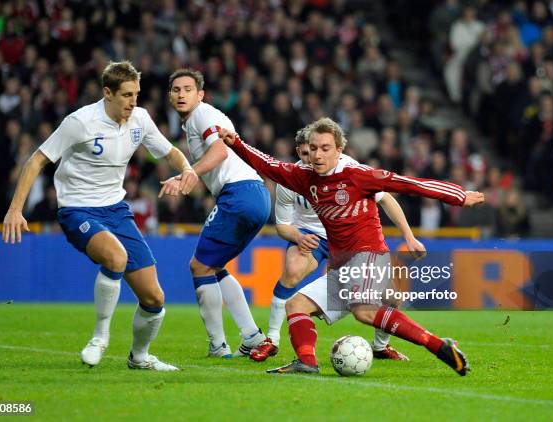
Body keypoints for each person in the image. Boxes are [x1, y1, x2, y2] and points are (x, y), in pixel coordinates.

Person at [218, 117, 484, 375]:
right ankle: (307, 363)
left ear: (339, 150)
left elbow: (409, 184)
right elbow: (269, 165)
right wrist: (236, 143)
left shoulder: (357, 175)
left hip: (369, 255)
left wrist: (459, 196)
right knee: (296, 305)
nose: (318, 155)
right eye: (313, 149)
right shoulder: (304, 177)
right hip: (342, 265)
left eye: (325, 149)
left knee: (364, 311)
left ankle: (438, 346)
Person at [2, 61, 198, 371]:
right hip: (77, 208)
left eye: (136, 94)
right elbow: (36, 161)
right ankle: (99, 338)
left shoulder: (140, 120)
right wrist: (15, 210)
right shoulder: (80, 122)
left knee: (155, 298)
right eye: (126, 95)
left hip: (117, 211)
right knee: (116, 258)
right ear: (107, 93)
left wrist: (188, 169)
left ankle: (140, 357)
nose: (133, 102)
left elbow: (169, 151)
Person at [251, 125, 424, 362]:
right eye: (305, 154)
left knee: (392, 296)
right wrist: (298, 237)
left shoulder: (349, 170)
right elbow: (282, 225)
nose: (312, 160)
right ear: (300, 152)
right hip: (309, 236)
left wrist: (409, 235)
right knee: (292, 270)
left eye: (318, 151)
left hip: (347, 239)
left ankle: (381, 346)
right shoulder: (290, 179)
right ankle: (271, 339)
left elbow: (386, 199)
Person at [166, 69, 268, 357]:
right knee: (214, 266)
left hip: (239, 194)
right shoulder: (195, 121)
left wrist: (190, 173)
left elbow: (220, 152)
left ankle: (218, 345)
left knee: (199, 267)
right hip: (255, 194)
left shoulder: (202, 114)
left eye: (188, 89)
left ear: (200, 94)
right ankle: (252, 336)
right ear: (170, 96)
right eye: (176, 89)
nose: (181, 94)